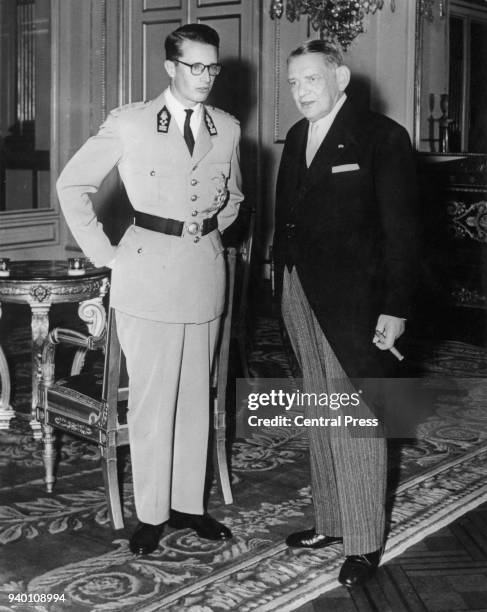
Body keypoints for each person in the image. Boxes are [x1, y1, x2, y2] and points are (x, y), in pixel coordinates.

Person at [57, 24, 243, 555]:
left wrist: (201, 238)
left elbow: (234, 199)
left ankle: (189, 506)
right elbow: (73, 186)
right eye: (194, 66)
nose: (205, 77)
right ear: (171, 67)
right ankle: (152, 515)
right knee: (151, 400)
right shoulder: (132, 122)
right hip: (146, 278)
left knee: (195, 397)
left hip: (204, 274)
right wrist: (108, 255)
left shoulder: (227, 128)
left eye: (213, 67)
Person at [273, 40, 419, 587]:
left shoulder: (382, 136)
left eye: (311, 79)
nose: (301, 91)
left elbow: (404, 233)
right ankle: (331, 521)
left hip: (356, 301)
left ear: (341, 76)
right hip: (297, 290)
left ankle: (362, 543)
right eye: (293, 82)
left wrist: (396, 307)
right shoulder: (295, 137)